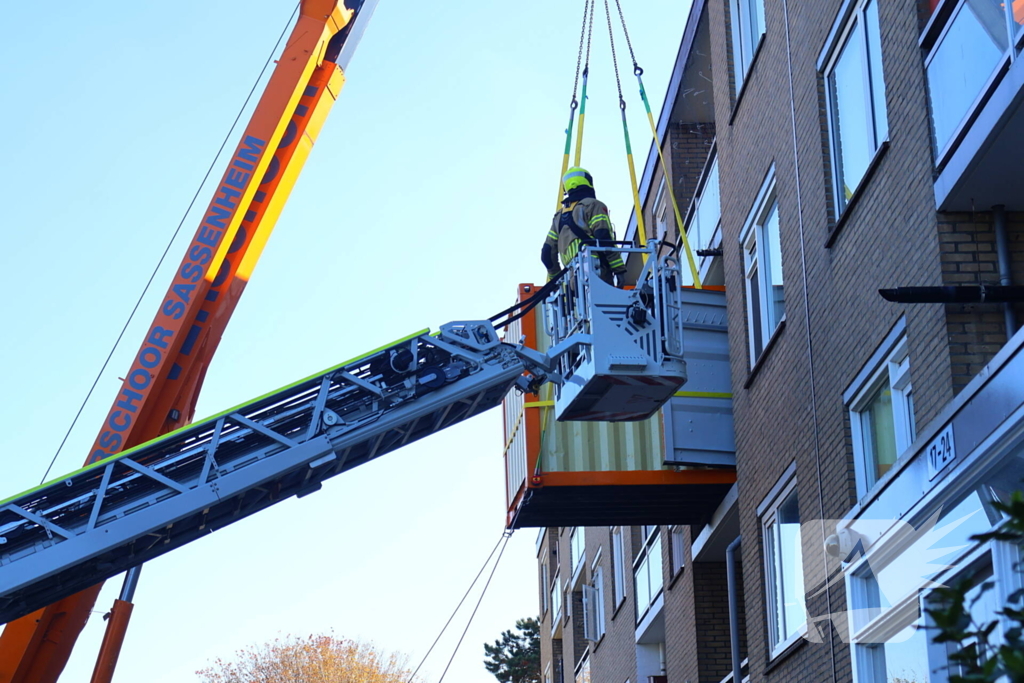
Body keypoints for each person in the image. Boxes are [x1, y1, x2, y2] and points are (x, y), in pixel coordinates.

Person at [541, 167, 628, 287]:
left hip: (573, 282)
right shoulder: (594, 205)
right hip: (596, 273)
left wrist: (558, 283)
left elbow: (547, 254)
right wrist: (619, 270)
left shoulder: (558, 218)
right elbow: (603, 237)